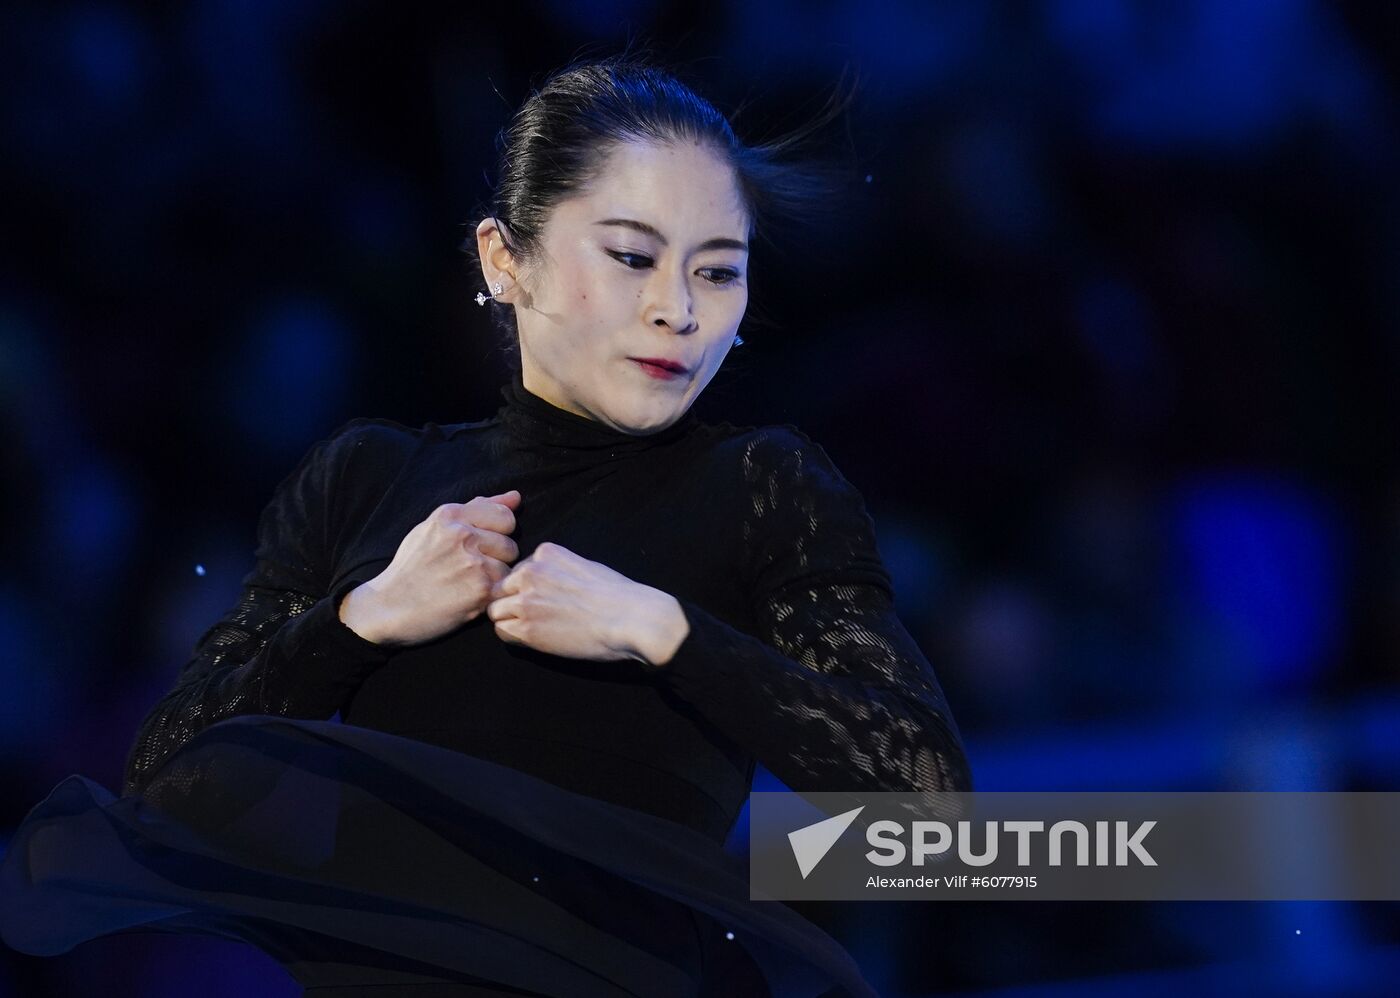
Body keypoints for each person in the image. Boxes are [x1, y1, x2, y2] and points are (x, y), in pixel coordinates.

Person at [0, 55, 971, 997]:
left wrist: (662, 630)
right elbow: (164, 782)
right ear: (503, 259)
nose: (676, 309)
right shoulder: (370, 477)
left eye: (718, 272)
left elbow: (930, 801)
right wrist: (360, 621)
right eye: (631, 256)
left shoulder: (762, 487)